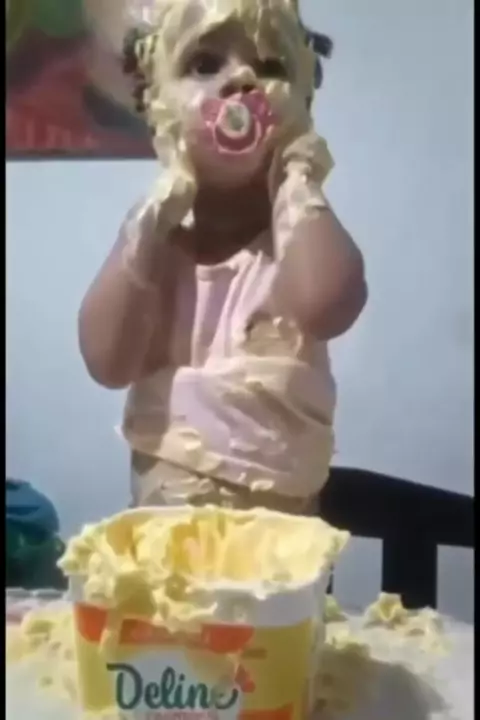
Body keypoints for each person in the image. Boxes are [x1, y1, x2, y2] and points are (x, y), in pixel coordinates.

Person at [78, 0, 367, 515]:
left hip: (280, 539)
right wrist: (147, 222)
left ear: (303, 104)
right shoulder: (155, 254)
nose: (241, 80)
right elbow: (107, 362)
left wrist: (298, 183)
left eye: (271, 66)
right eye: (204, 64)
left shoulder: (296, 250)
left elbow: (328, 306)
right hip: (166, 527)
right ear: (156, 105)